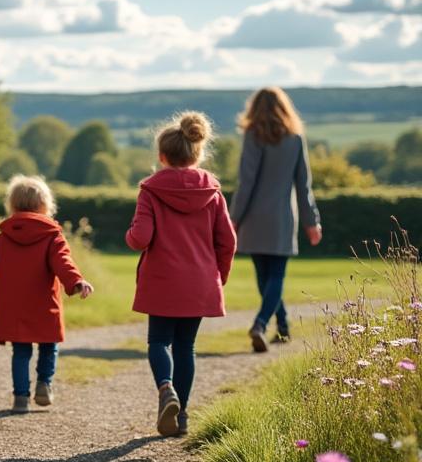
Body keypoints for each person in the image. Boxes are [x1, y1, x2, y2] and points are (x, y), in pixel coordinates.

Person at [126, 112, 236, 438]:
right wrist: (220, 277)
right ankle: (182, 415)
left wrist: (130, 236)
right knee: (185, 346)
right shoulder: (212, 192)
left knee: (159, 341)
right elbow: (227, 241)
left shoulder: (150, 191)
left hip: (162, 280)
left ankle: (165, 389)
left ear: (162, 156)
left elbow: (141, 237)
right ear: (196, 152)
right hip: (200, 282)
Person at [0, 175, 94, 413]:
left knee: (21, 351)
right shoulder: (52, 236)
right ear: (45, 205)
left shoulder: (4, 237)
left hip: (13, 306)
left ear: (12, 205)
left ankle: (20, 398)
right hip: (44, 304)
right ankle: (44, 383)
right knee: (48, 345)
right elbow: (63, 262)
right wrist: (76, 281)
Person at [228, 87, 323, 353]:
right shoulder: (295, 138)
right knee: (276, 275)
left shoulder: (252, 136)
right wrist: (311, 222)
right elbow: (304, 185)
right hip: (283, 215)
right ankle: (278, 326)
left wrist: (233, 219)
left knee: (264, 276)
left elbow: (246, 182)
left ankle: (264, 324)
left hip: (255, 217)